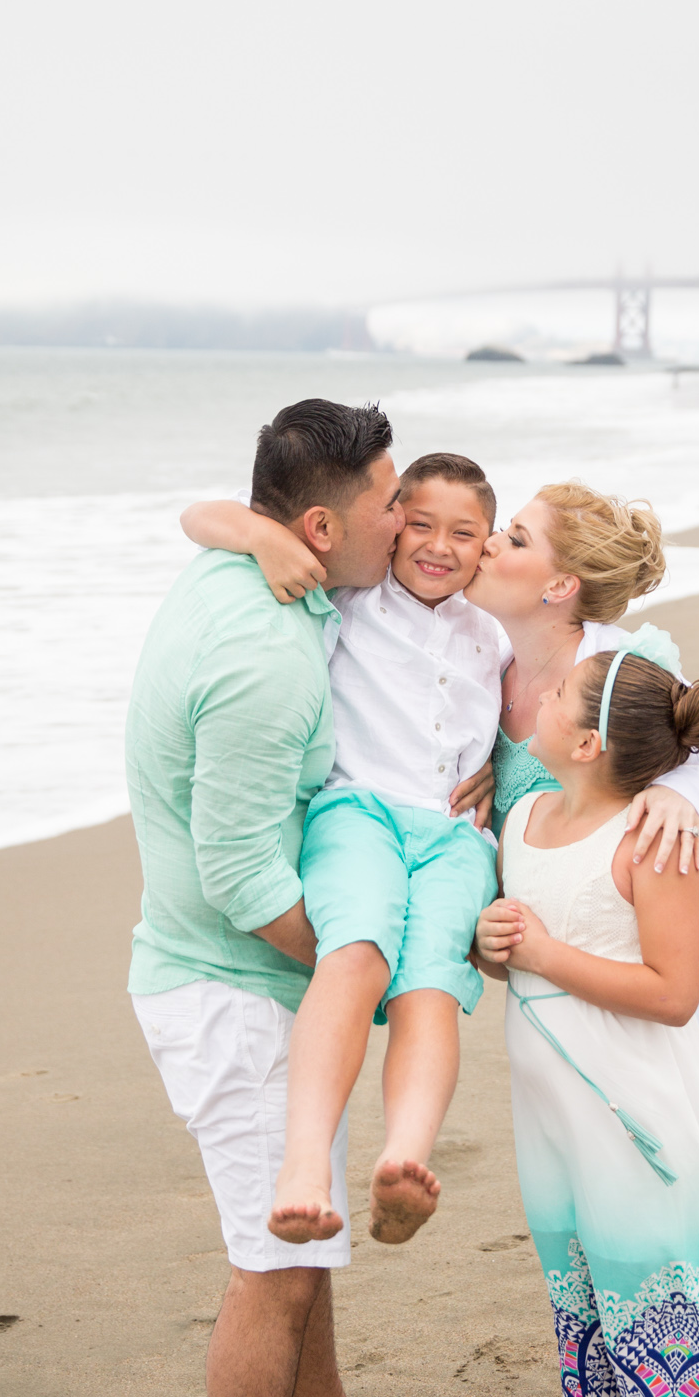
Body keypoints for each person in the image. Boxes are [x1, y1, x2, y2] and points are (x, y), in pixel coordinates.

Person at [125, 399, 459, 1397]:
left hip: (241, 971)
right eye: (390, 506)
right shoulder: (267, 653)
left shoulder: (251, 561)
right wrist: (360, 968)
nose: (408, 519)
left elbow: (214, 514)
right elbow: (240, 875)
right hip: (222, 984)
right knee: (278, 1248)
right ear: (322, 523)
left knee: (304, 1224)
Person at [464, 483, 699, 1397]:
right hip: (549, 1002)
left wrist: (681, 789)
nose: (476, 545)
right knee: (580, 1237)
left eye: (505, 534)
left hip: (632, 975)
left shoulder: (619, 677)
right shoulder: (474, 661)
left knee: (659, 1222)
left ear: (558, 583)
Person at [179, 453, 502, 1249]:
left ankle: (402, 1160)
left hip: (456, 838)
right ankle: (302, 1165)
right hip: (358, 813)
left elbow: (537, 722)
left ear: (488, 547)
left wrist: (498, 762)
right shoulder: (349, 600)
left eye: (463, 533)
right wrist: (262, 537)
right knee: (353, 951)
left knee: (430, 984)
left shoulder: (493, 634)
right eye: (418, 522)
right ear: (390, 529)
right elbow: (196, 517)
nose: (437, 545)